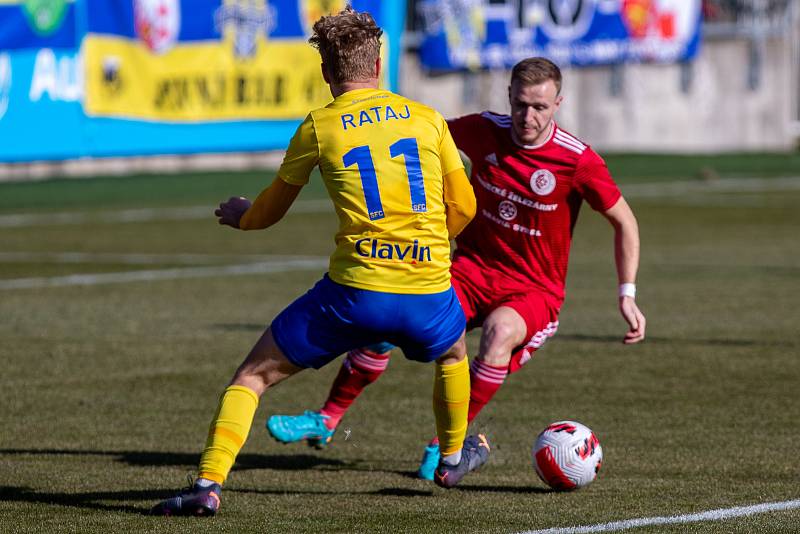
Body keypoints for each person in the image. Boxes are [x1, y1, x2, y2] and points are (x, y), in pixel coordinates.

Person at [150, 7, 486, 516]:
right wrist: (432, 246)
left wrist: (242, 216)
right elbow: (464, 207)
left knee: (251, 379)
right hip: (427, 291)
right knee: (455, 353)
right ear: (379, 65)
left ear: (327, 73)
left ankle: (207, 486)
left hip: (354, 295)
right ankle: (453, 459)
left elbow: (269, 213)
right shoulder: (428, 119)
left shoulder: (320, 127)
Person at [266, 57, 647, 479]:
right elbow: (418, 132)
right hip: (467, 271)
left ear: (558, 103)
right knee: (384, 321)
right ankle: (328, 418)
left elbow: (624, 222)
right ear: (509, 97)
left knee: (500, 334)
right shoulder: (484, 129)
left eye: (540, 107)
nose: (528, 116)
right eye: (521, 104)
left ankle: (446, 445)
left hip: (533, 291)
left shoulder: (576, 161)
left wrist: (626, 294)